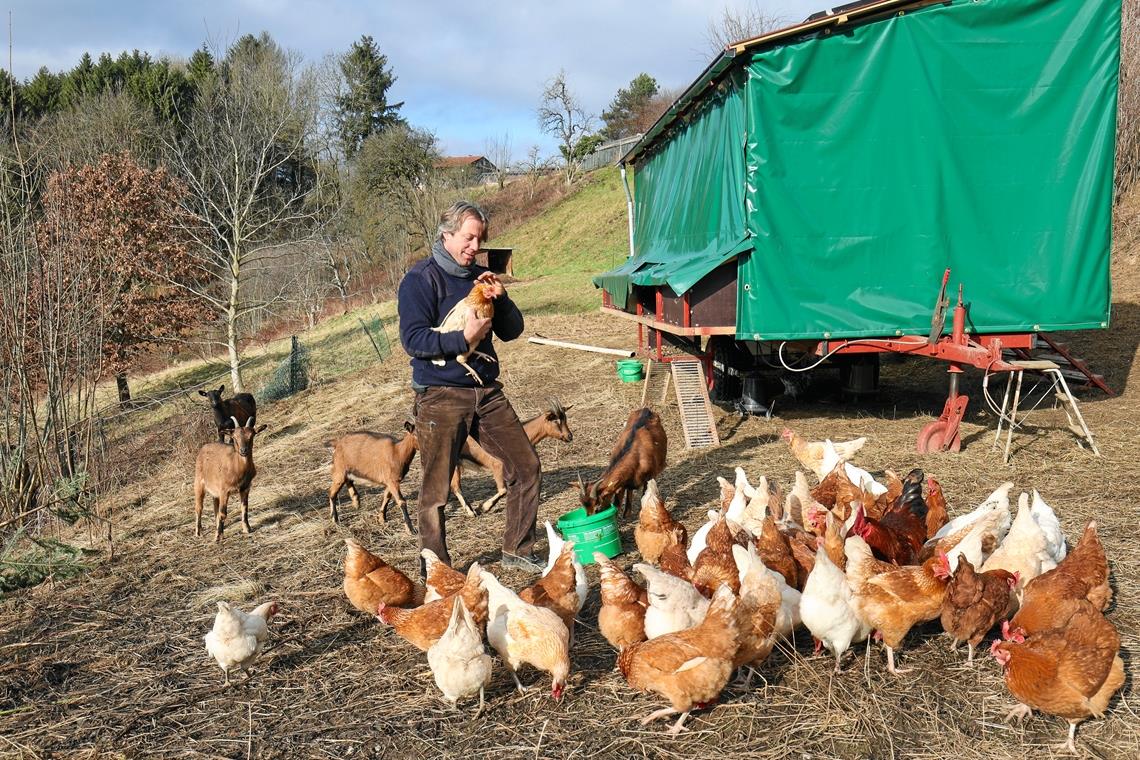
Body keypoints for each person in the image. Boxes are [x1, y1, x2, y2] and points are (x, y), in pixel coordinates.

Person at [397, 201, 544, 575]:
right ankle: (436, 569)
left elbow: (511, 332)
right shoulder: (420, 280)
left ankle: (518, 550)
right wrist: (462, 338)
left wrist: (503, 299)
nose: (474, 246)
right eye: (468, 237)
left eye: (479, 238)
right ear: (446, 235)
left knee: (525, 466)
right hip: (440, 394)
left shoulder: (481, 278)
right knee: (436, 490)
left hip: (486, 392)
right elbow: (413, 340)